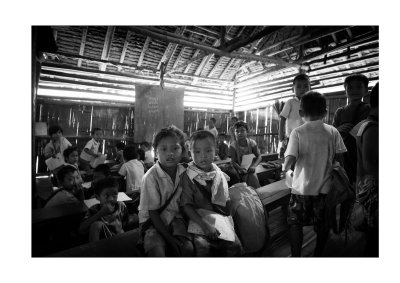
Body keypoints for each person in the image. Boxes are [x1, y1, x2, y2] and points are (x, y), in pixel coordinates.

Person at [282, 91, 347, 257]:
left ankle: (296, 255)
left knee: (295, 224)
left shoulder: (297, 132)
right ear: (325, 112)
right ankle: (318, 253)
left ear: (301, 113)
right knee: (322, 224)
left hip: (301, 189)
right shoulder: (333, 132)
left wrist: (285, 168)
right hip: (324, 190)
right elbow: (340, 159)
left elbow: (290, 158)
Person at [181, 130, 243, 256]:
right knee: (202, 247)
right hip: (198, 220)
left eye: (208, 150)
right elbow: (186, 205)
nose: (203, 156)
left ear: (216, 151)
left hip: (218, 219)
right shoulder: (187, 176)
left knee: (235, 246)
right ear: (190, 153)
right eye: (197, 152)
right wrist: (204, 225)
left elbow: (225, 202)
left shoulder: (218, 173)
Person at [138, 125, 193, 257]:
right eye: (163, 149)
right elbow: (153, 213)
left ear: (183, 151)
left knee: (188, 249)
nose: (170, 153)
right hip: (152, 223)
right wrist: (169, 239)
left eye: (175, 148)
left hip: (176, 218)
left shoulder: (184, 171)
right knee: (157, 252)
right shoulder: (151, 177)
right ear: (156, 153)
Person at [332, 74, 370, 232]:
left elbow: (367, 130)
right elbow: (332, 132)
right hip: (341, 156)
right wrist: (338, 130)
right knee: (335, 189)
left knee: (351, 192)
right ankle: (334, 225)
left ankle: (344, 225)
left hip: (358, 156)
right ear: (345, 90)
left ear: (365, 90)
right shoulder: (340, 112)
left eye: (358, 87)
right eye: (350, 87)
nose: (354, 90)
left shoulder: (367, 109)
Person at [356, 82, 378, 257]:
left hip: (365, 184)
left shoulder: (367, 124)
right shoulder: (372, 127)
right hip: (372, 188)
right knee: (374, 236)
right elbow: (369, 163)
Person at [79, 177, 129, 242]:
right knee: (97, 225)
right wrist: (100, 213)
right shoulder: (94, 209)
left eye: (114, 195)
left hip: (119, 239)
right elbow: (81, 229)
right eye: (107, 196)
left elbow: (125, 224)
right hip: (102, 243)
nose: (111, 199)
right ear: (97, 197)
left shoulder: (121, 206)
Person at [279, 74, 311, 158]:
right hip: (292, 138)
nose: (302, 89)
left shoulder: (311, 104)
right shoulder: (290, 102)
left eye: (305, 86)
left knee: (304, 159)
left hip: (307, 138)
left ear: (310, 88)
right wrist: (280, 133)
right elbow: (282, 118)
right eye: (299, 87)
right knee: (292, 159)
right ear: (292, 89)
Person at [229, 120, 262, 189]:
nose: (239, 133)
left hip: (250, 168)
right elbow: (233, 161)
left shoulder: (252, 143)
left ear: (247, 132)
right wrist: (240, 169)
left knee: (252, 177)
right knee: (244, 179)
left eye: (242, 131)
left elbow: (259, 156)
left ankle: (255, 193)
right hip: (238, 170)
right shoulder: (233, 145)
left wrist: (254, 166)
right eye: (237, 131)